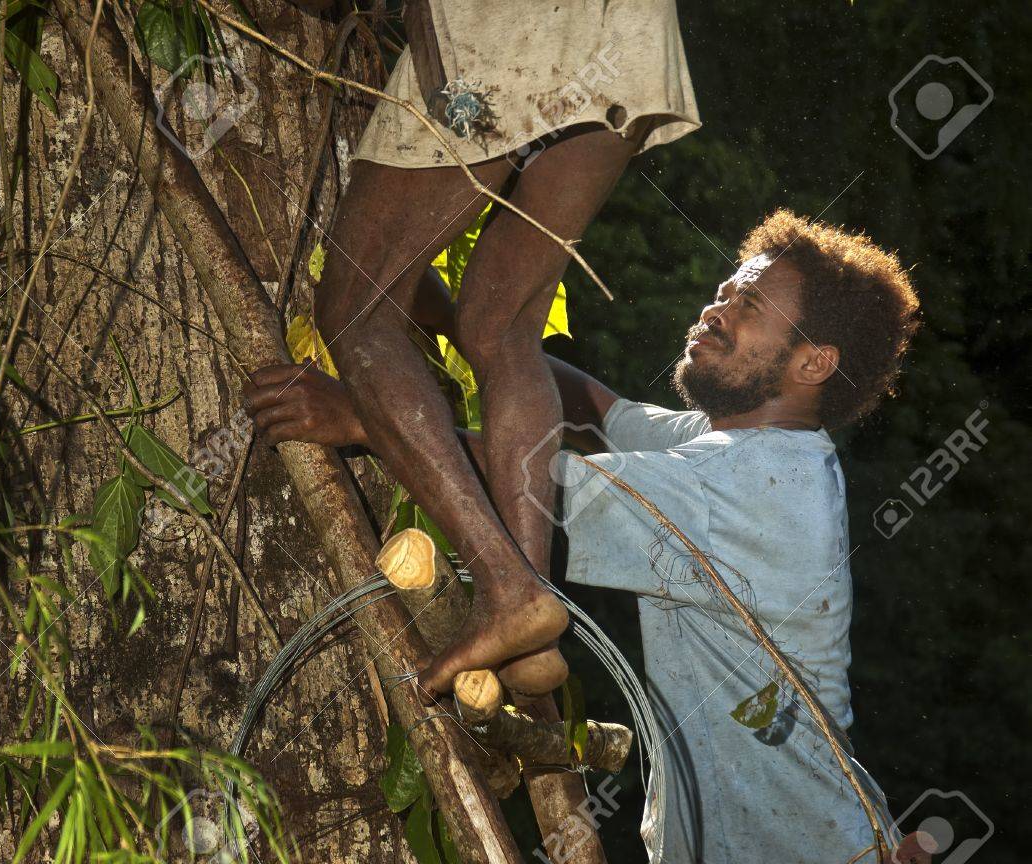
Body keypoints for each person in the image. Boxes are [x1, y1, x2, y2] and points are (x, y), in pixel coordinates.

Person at [246, 210, 925, 862]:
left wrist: (367, 417)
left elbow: (540, 484)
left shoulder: (750, 484)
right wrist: (457, 320)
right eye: (723, 294)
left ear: (813, 364)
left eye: (749, 307)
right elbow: (599, 417)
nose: (715, 312)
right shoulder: (762, 448)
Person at [314, 0, 700, 696]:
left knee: (354, 308)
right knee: (498, 323)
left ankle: (505, 585)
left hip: (508, 26)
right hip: (628, 29)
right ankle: (529, 608)